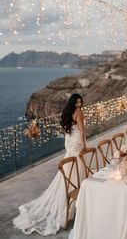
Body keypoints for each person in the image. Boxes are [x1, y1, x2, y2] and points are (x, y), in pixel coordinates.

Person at [13, 93, 86, 236]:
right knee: (77, 165)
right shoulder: (79, 113)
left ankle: (69, 193)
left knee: (70, 165)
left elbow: (67, 129)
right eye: (77, 102)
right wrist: (84, 145)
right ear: (74, 103)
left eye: (80, 102)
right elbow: (82, 131)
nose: (79, 105)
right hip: (76, 141)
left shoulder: (67, 112)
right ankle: (76, 196)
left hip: (70, 140)